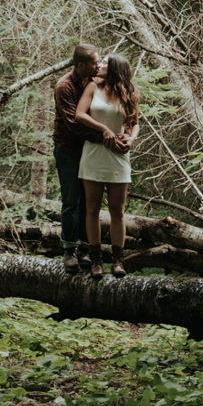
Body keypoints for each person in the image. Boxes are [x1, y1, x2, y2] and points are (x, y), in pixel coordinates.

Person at [75, 53, 140, 280]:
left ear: (114, 69)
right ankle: (96, 261)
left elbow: (134, 123)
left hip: (118, 155)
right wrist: (103, 129)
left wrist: (130, 139)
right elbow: (79, 114)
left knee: (117, 211)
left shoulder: (129, 92)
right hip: (94, 152)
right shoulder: (93, 87)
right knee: (92, 209)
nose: (99, 65)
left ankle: (118, 261)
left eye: (103, 63)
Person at [52, 44, 103, 275]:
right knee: (71, 202)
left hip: (89, 150)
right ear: (81, 65)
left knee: (87, 203)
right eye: (94, 63)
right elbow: (73, 124)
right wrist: (104, 137)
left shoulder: (92, 81)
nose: (98, 65)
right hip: (69, 151)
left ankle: (84, 249)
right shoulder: (64, 86)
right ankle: (69, 250)